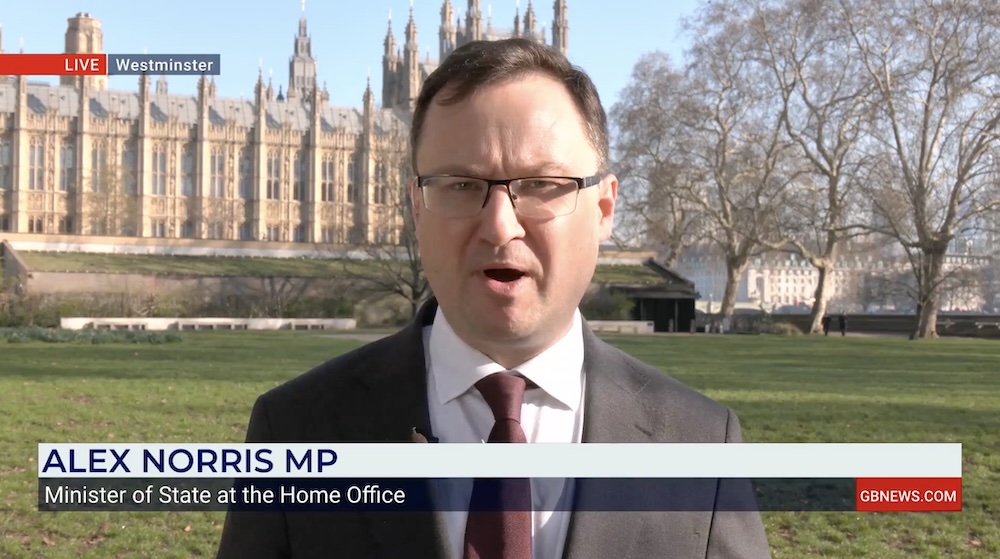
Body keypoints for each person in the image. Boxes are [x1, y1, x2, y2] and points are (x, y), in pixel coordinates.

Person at [216, 38, 771, 559]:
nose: (501, 226)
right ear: (415, 207)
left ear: (604, 209)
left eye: (541, 184)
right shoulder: (293, 431)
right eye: (461, 185)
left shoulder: (704, 447)